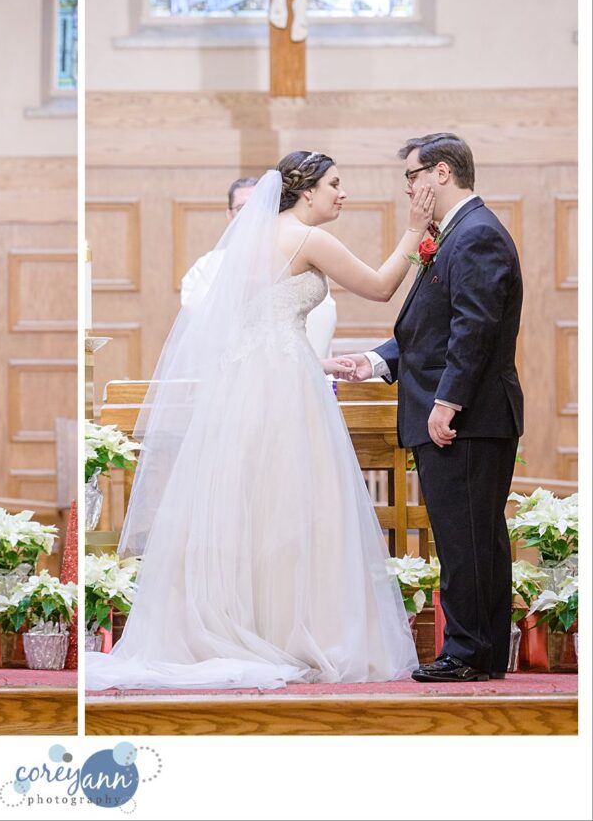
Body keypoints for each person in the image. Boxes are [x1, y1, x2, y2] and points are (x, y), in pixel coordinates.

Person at [86, 151, 434, 691]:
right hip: (285, 386)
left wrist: (317, 360)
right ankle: (290, 631)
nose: (342, 193)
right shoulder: (308, 237)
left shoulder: (252, 242)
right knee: (294, 503)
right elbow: (380, 286)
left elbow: (252, 324)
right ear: (307, 190)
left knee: (250, 503)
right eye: (334, 184)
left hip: (246, 382)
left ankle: (245, 625)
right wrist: (414, 229)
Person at [343, 133, 524, 683]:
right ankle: (482, 652)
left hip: (468, 417)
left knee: (465, 538)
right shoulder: (456, 234)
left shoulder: (475, 235)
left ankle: (465, 653)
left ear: (441, 173)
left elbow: (474, 327)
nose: (408, 187)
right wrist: (374, 361)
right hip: (469, 414)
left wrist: (447, 400)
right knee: (475, 536)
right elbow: (433, 329)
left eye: (412, 175)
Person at [181, 176, 338, 357]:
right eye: (243, 208)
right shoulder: (207, 266)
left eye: (261, 207)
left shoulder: (300, 258)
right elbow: (201, 320)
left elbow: (322, 316)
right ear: (230, 215)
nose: (252, 214)